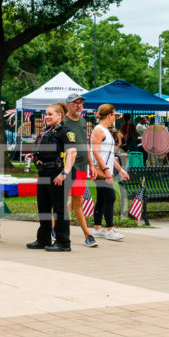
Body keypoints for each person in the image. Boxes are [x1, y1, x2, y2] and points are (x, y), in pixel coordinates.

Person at [26, 102, 76, 252]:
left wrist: (64, 173)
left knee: (59, 209)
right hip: (44, 173)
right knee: (44, 207)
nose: (46, 117)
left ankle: (63, 242)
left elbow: (72, 153)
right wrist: (33, 155)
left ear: (59, 115)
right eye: (46, 114)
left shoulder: (65, 132)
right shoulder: (46, 132)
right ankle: (43, 239)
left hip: (57, 174)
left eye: (50, 114)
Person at [90, 103, 129, 241]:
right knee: (110, 197)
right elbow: (95, 152)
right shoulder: (99, 130)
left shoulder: (107, 131)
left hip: (105, 169)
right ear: (109, 115)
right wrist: (106, 170)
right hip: (99, 170)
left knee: (102, 198)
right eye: (115, 115)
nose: (116, 117)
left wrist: (120, 170)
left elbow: (110, 155)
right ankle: (110, 230)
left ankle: (97, 228)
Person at [63, 93, 98, 248]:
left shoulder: (83, 121)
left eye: (80, 103)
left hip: (83, 168)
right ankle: (88, 235)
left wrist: (92, 164)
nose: (78, 105)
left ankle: (52, 227)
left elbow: (86, 145)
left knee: (78, 201)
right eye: (75, 103)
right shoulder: (63, 122)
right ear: (68, 105)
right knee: (77, 202)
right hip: (69, 168)